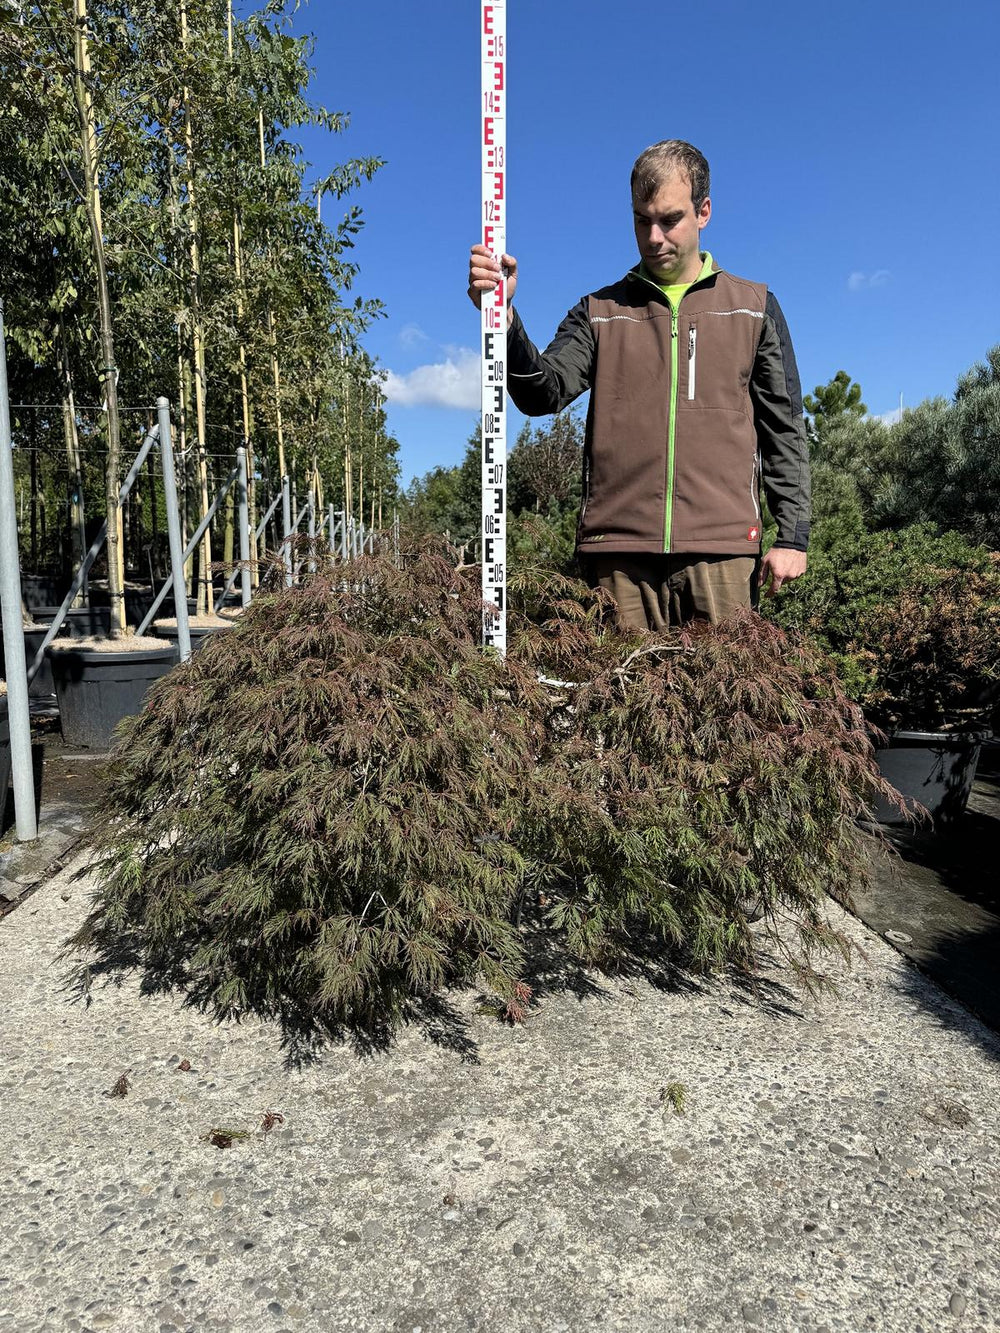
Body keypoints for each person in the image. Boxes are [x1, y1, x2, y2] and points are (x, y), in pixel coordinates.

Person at [467, 139, 810, 630]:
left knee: (725, 705)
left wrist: (792, 536)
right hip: (618, 557)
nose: (653, 237)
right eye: (641, 219)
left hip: (723, 552)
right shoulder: (599, 312)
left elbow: (784, 428)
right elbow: (539, 393)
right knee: (619, 704)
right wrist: (501, 317)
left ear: (704, 212)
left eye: (669, 219)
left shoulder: (753, 307)